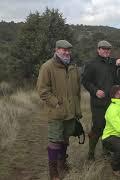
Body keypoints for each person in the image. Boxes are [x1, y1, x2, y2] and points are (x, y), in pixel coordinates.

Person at [37, 40, 82, 180]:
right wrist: (56, 103)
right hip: (56, 112)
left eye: (68, 50)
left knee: (65, 140)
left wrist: (77, 110)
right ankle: (53, 172)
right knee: (55, 140)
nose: (66, 52)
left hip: (71, 113)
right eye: (63, 50)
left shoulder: (73, 67)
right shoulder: (47, 67)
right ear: (56, 50)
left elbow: (77, 90)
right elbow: (42, 90)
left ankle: (63, 164)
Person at [81, 40, 120, 160]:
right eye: (103, 49)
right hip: (98, 103)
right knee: (98, 127)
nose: (106, 51)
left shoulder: (113, 62)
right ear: (98, 50)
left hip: (112, 103)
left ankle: (105, 151)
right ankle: (90, 154)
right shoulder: (91, 64)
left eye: (108, 49)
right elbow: (85, 81)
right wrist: (95, 91)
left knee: (110, 127)